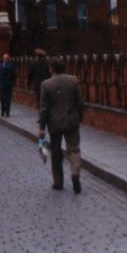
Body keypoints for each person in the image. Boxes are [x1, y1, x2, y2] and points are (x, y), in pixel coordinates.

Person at [38, 58, 85, 193]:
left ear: (52, 68)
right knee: (74, 149)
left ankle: (58, 182)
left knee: (56, 152)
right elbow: (80, 102)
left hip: (54, 123)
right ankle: (75, 173)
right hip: (71, 121)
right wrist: (78, 118)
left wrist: (42, 128)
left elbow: (44, 108)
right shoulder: (73, 80)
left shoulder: (46, 84)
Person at [0, 53, 16, 118]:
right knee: (2, 99)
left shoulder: (12, 66)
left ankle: (7, 112)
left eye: (7, 58)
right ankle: (2, 110)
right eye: (5, 58)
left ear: (8, 59)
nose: (6, 59)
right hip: (1, 85)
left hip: (8, 85)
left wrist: (12, 83)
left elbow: (14, 76)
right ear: (3, 59)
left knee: (8, 99)